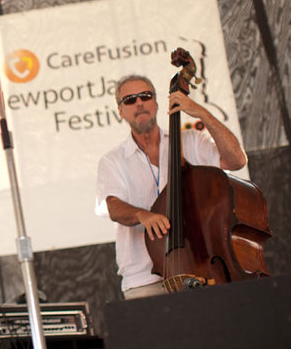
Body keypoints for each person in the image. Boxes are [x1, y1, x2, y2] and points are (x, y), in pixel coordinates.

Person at [96, 75, 247, 300]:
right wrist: (141, 215)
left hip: (201, 267)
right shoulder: (112, 161)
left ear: (156, 102)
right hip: (144, 279)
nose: (139, 103)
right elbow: (113, 207)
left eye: (145, 96)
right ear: (120, 111)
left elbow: (236, 160)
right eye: (129, 100)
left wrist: (204, 115)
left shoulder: (191, 141)